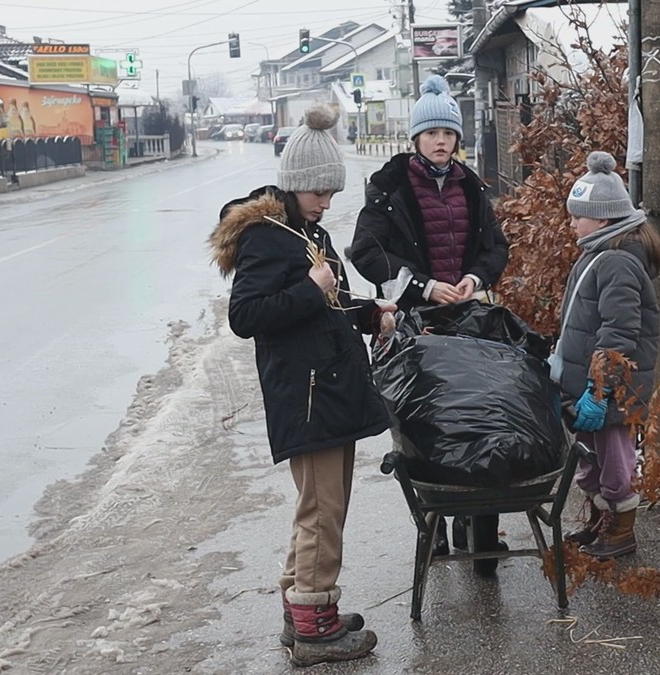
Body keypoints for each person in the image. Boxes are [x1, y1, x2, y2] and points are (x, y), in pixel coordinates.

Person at [208, 104, 394, 667]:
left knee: (321, 508)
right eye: (319, 191)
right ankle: (317, 628)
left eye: (332, 193)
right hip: (307, 397)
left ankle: (304, 611)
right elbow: (247, 315)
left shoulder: (304, 230)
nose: (327, 202)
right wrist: (313, 291)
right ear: (293, 185)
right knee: (321, 512)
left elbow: (327, 300)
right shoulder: (268, 237)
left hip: (329, 390)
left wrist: (367, 312)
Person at [350, 74, 509, 559]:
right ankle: (435, 523)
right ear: (416, 139)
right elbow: (365, 251)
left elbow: (495, 247)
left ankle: (481, 528)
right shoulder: (390, 186)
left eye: (448, 135)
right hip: (415, 322)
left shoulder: (472, 186)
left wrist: (476, 280)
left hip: (469, 320)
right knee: (427, 426)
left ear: (457, 141)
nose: (441, 142)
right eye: (432, 134)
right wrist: (422, 285)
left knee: (482, 419)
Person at [555, 151, 660, 561]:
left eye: (576, 216)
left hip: (611, 390)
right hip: (591, 386)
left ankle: (621, 531)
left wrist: (600, 391)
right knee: (591, 457)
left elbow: (619, 332)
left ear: (601, 219)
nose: (571, 224)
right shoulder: (597, 253)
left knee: (615, 461)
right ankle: (601, 522)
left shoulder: (616, 261)